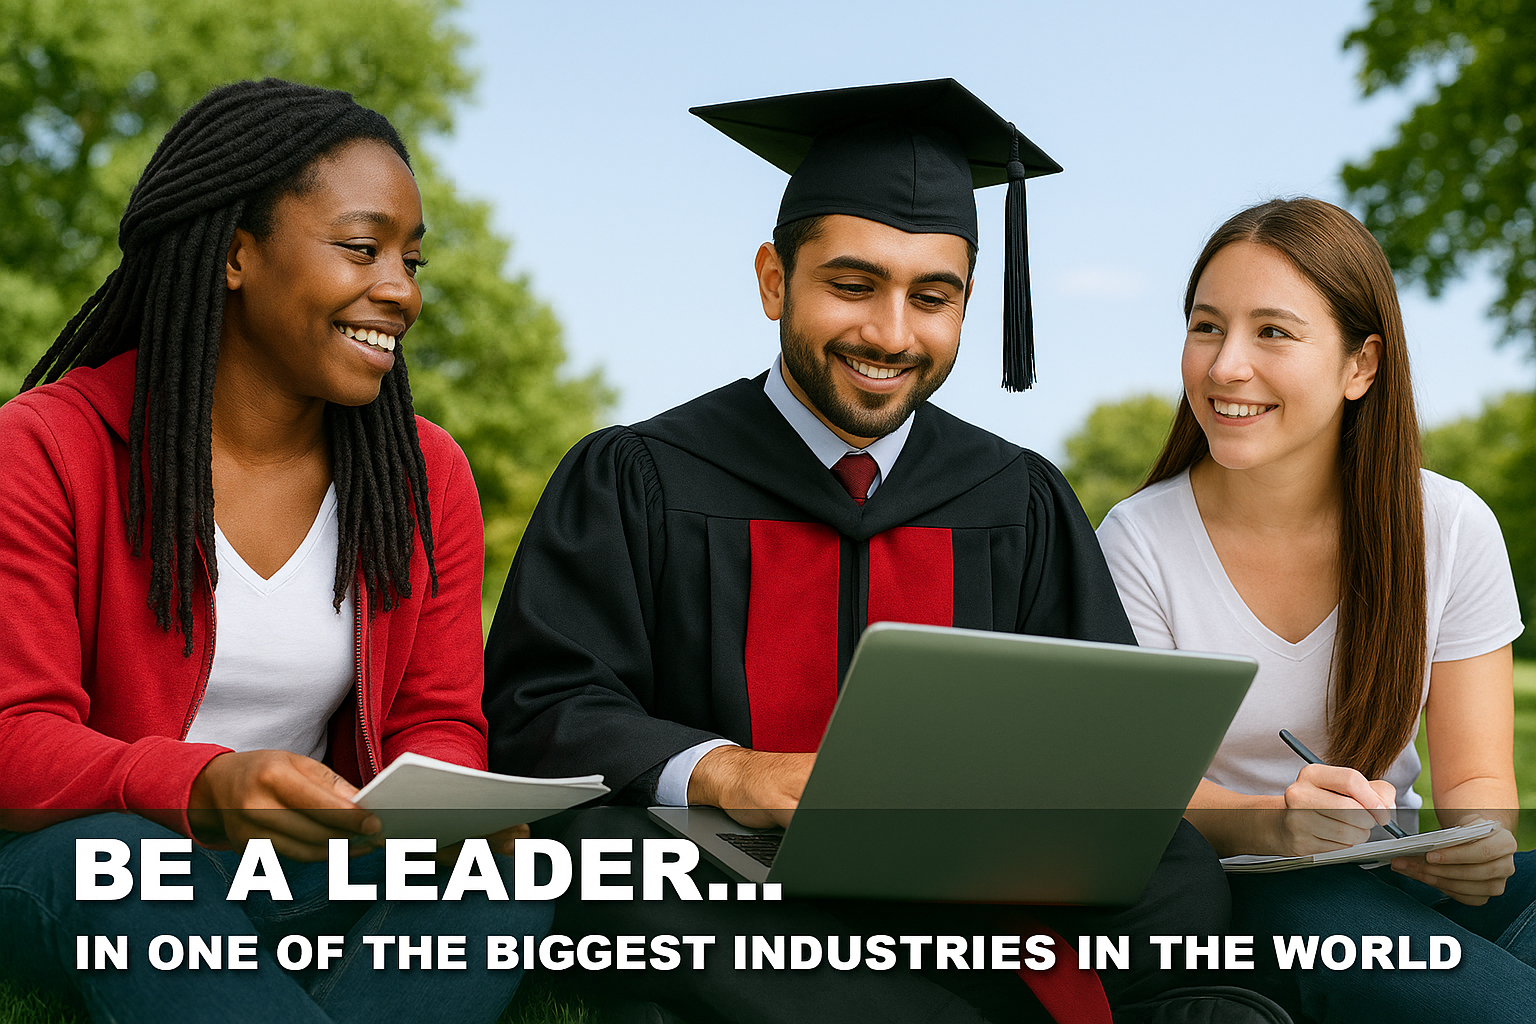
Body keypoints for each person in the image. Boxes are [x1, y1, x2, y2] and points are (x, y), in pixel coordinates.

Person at [484, 80, 1253, 1024]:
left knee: (1169, 867)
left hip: (962, 875)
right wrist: (730, 771)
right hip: (727, 872)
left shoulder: (1015, 497)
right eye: (853, 285)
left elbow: (1103, 740)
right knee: (612, 860)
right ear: (775, 279)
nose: (890, 334)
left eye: (933, 297)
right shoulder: (638, 475)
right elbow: (544, 705)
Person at [0, 79, 549, 1024]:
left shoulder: (423, 476)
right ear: (235, 255)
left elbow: (438, 719)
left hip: (314, 865)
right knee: (140, 869)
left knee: (502, 885)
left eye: (412, 261)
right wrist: (204, 784)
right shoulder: (48, 447)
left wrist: (450, 810)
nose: (401, 291)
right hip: (91, 860)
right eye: (361, 248)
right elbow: (15, 739)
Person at [1097, 197, 1536, 1022]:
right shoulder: (1138, 540)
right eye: (1206, 327)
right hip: (1250, 896)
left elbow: (1478, 778)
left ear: (1361, 365)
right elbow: (1144, 792)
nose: (1226, 366)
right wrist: (1275, 824)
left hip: (1397, 875)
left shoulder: (1447, 526)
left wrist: (1476, 844)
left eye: (1273, 332)